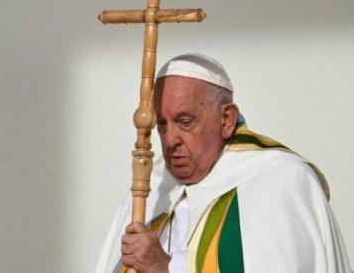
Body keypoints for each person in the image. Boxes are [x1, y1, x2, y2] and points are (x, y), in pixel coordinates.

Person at [95, 53, 351, 273]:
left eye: (185, 122)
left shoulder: (279, 181)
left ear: (227, 120)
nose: (171, 139)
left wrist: (165, 267)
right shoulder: (151, 191)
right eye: (162, 124)